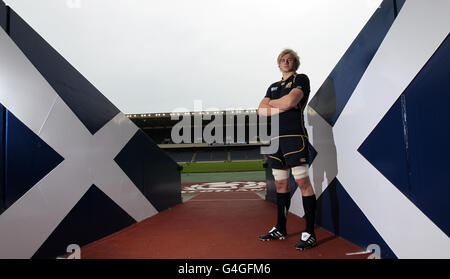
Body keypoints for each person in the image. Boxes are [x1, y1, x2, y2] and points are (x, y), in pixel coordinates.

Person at [257, 49, 317, 250]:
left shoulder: (301, 78)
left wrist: (274, 104)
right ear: (278, 63)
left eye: (289, 59)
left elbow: (291, 101)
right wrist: (279, 104)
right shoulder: (273, 86)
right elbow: (261, 111)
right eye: (282, 60)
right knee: (281, 186)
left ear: (295, 63)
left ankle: (309, 232)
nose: (285, 62)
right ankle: (280, 228)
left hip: (294, 138)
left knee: (303, 183)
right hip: (275, 141)